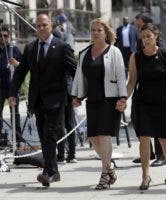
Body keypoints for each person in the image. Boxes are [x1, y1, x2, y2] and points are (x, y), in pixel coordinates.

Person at [8, 14, 77, 187]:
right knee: (43, 134)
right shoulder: (31, 48)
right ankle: (52, 171)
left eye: (44, 25)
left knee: (49, 134)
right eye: (38, 26)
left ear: (51, 26)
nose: (41, 28)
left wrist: (78, 94)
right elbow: (20, 72)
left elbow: (75, 71)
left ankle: (50, 171)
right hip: (37, 100)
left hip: (57, 98)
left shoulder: (62, 47)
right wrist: (12, 92)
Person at [72, 18, 127, 190]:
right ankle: (109, 167)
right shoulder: (84, 53)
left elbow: (120, 76)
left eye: (99, 30)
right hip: (92, 100)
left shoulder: (114, 52)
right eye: (93, 30)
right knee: (93, 138)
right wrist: (77, 96)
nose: (95, 33)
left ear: (106, 33)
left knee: (104, 136)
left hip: (110, 100)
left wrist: (123, 98)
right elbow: (79, 76)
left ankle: (104, 175)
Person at [126, 23, 166, 190]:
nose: (145, 40)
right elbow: (131, 82)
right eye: (143, 37)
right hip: (141, 102)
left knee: (164, 138)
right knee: (144, 138)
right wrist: (123, 99)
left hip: (162, 102)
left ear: (156, 36)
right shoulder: (135, 57)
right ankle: (145, 175)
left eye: (149, 36)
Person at [131, 13, 166, 167]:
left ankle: (162, 155)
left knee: (159, 125)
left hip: (157, 92)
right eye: (137, 26)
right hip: (140, 89)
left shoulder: (160, 45)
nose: (137, 28)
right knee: (137, 120)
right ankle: (148, 151)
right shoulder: (141, 42)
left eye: (139, 25)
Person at [0, 26, 23, 145]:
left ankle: (18, 139)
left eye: (5, 36)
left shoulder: (13, 49)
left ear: (9, 37)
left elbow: (23, 67)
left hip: (12, 87)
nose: (3, 38)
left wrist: (17, 63)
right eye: (0, 36)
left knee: (15, 114)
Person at [52, 22, 77, 164]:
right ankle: (70, 154)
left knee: (63, 123)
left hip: (63, 89)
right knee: (67, 122)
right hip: (67, 88)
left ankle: (64, 155)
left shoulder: (62, 40)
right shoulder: (65, 41)